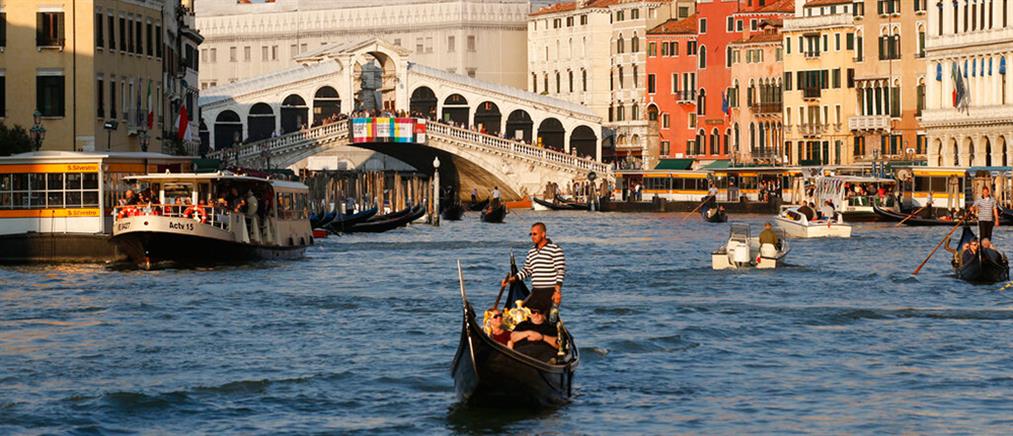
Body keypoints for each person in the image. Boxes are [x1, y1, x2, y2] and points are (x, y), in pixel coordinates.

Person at [502, 222, 566, 315]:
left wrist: (557, 292)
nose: (532, 236)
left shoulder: (555, 249)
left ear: (543, 234)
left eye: (535, 234)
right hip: (536, 292)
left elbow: (560, 271)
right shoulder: (531, 251)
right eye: (531, 234)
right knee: (521, 313)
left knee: (549, 318)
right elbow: (527, 270)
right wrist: (511, 279)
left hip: (550, 291)